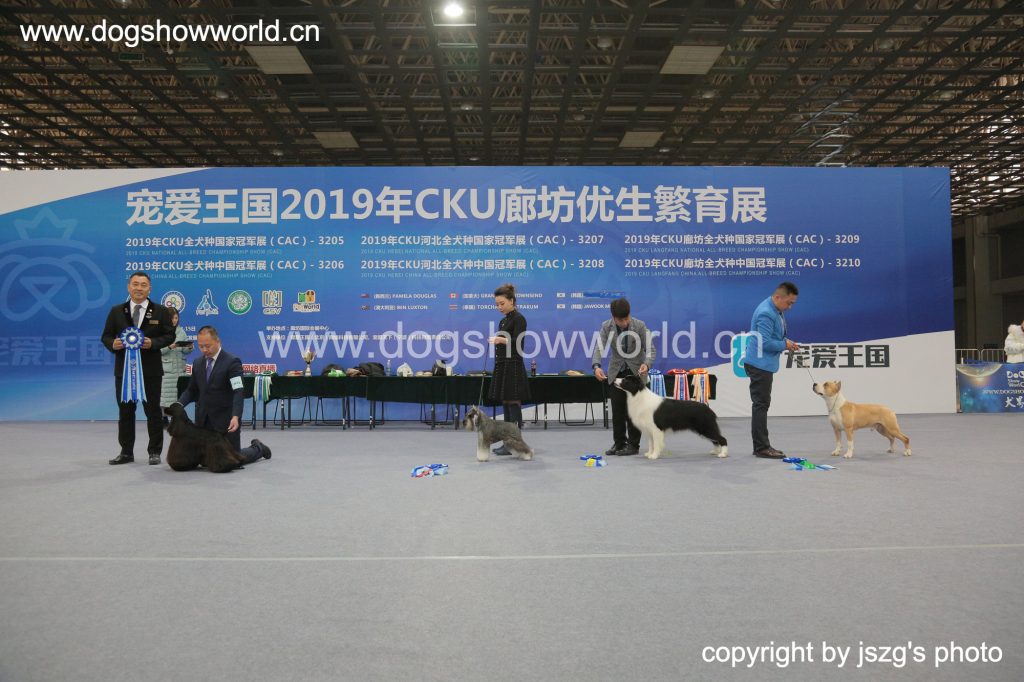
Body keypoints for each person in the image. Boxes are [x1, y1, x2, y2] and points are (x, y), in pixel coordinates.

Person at [101, 271, 175, 465]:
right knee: (125, 412)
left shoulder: (160, 311)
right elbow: (106, 336)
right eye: (135, 284)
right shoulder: (116, 311)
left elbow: (170, 336)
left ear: (150, 289)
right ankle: (126, 452)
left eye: (143, 285)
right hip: (124, 372)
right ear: (129, 287)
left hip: (151, 371)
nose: (139, 288)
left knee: (153, 412)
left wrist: (154, 343)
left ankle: (154, 452)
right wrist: (113, 344)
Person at [176, 325, 271, 464]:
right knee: (204, 461)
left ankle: (258, 448)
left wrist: (235, 416)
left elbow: (238, 391)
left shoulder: (232, 362)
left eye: (208, 346)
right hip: (203, 421)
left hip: (225, 422)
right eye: (201, 346)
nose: (204, 350)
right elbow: (191, 390)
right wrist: (178, 405)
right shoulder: (197, 363)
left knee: (231, 460)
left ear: (218, 341)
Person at [742, 281, 800, 459]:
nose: (790, 307)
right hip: (759, 364)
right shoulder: (766, 313)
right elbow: (765, 342)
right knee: (761, 405)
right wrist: (784, 345)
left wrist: (785, 342)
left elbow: (775, 335)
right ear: (777, 297)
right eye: (789, 303)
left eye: (792, 303)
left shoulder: (775, 309)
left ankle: (761, 445)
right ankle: (761, 447)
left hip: (763, 363)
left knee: (761, 404)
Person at [592, 297, 654, 456]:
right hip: (617, 372)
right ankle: (619, 443)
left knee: (635, 412)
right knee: (617, 411)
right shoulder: (606, 326)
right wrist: (596, 366)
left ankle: (633, 445)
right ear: (613, 317)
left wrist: (646, 364)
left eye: (627, 318)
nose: (625, 322)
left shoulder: (640, 325)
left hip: (636, 374)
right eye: (621, 320)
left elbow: (650, 349)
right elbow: (599, 348)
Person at [488, 283, 531, 456]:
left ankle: (517, 443)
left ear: (511, 301)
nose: (499, 307)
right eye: (497, 304)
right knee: (505, 403)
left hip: (513, 365)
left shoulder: (519, 319)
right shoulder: (503, 320)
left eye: (502, 303)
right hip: (502, 365)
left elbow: (518, 343)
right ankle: (507, 443)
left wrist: (502, 340)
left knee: (513, 403)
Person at [160, 307, 191, 411]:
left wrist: (189, 347)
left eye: (176, 318)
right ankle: (163, 417)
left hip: (180, 371)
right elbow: (157, 350)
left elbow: (185, 351)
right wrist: (170, 347)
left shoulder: (181, 331)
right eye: (172, 318)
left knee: (178, 399)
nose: (174, 320)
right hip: (167, 371)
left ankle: (176, 418)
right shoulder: (160, 331)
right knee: (165, 398)